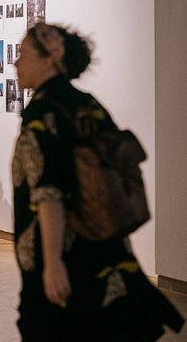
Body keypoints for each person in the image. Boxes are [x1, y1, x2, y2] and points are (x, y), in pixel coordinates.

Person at [12, 23, 184, 340]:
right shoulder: (88, 104)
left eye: (23, 54)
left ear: (49, 58)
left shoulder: (42, 113)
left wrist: (52, 264)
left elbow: (49, 193)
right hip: (106, 248)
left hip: (66, 251)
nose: (16, 63)